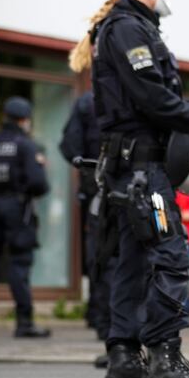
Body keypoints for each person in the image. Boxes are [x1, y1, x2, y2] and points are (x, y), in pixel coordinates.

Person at [68, 0, 189, 378]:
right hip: (142, 170)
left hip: (130, 168)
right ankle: (163, 357)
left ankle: (123, 359)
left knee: (133, 261)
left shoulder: (122, 26)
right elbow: (151, 99)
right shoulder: (127, 28)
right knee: (169, 256)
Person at [0, 97, 51, 339]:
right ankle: (24, 322)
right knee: (19, 264)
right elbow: (40, 184)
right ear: (24, 119)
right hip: (17, 208)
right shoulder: (26, 146)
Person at [59, 90, 110, 344]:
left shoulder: (86, 102)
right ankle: (108, 319)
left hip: (95, 187)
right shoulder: (138, 91)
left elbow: (69, 146)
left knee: (98, 252)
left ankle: (99, 317)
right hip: (132, 185)